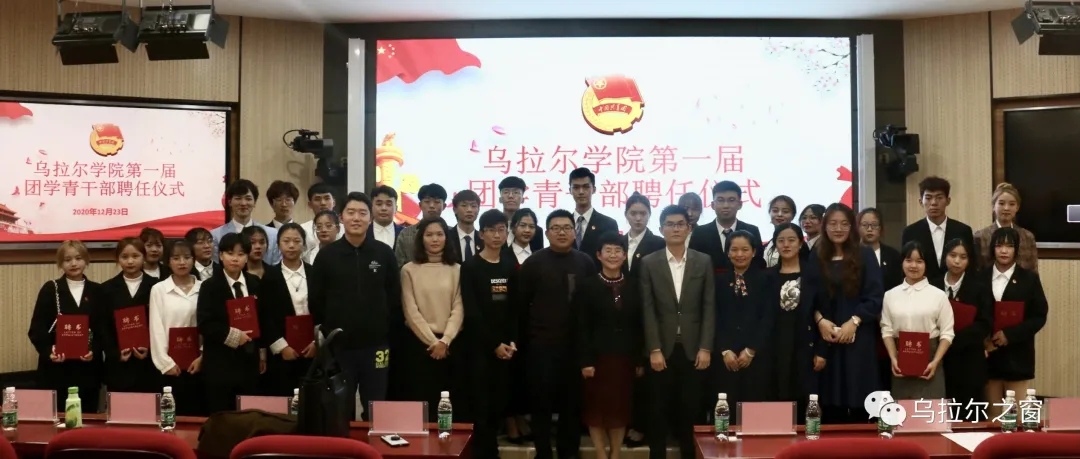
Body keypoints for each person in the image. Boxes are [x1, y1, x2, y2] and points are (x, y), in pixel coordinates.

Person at [310, 192, 401, 419]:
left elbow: (394, 297)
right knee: (341, 409)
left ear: (370, 218)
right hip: (340, 347)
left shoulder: (384, 253)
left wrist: (385, 329)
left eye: (362, 213)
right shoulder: (326, 256)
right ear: (341, 217)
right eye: (351, 212)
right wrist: (330, 331)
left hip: (377, 345)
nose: (356, 218)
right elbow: (317, 301)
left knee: (376, 407)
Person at [518, 209, 597, 459]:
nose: (562, 233)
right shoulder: (534, 263)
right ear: (547, 233)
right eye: (556, 228)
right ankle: (543, 453)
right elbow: (521, 306)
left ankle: (568, 453)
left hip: (575, 348)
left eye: (566, 228)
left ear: (574, 232)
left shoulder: (585, 262)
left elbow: (592, 307)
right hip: (541, 347)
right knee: (540, 405)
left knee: (571, 406)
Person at [640, 205, 714, 459]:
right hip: (661, 349)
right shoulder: (649, 262)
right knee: (657, 411)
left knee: (690, 410)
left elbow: (709, 306)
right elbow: (647, 308)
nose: (675, 229)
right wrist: (654, 348)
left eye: (680, 224)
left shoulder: (703, 261)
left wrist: (705, 347)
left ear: (689, 228)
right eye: (669, 224)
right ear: (661, 229)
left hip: (694, 349)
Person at [806, 203, 883, 423]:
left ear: (852, 227)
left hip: (858, 336)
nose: (838, 228)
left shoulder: (865, 254)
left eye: (844, 224)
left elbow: (875, 296)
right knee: (830, 405)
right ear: (824, 226)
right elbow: (809, 297)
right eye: (833, 223)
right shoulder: (816, 256)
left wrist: (854, 321)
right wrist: (820, 321)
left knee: (861, 402)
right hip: (826, 338)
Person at [577, 231, 643, 459]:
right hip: (597, 359)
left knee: (619, 410)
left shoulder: (634, 285)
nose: (613, 255)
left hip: (625, 358)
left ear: (625, 255)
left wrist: (639, 359)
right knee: (596, 410)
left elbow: (639, 326)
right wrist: (585, 361)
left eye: (618, 251)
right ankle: (600, 454)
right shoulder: (587, 286)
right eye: (608, 251)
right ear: (599, 255)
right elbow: (581, 326)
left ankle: (615, 454)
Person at [462, 209, 520, 459]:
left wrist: (512, 340)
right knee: (481, 405)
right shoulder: (471, 267)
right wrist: (494, 344)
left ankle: (491, 448)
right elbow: (472, 312)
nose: (497, 235)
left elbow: (515, 307)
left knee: (500, 402)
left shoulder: (509, 265)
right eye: (491, 230)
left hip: (506, 348)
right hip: (480, 348)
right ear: (481, 234)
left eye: (501, 230)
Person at [27, 240, 104, 413]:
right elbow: (37, 329)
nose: (74, 263)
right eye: (67, 259)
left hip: (88, 371)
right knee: (57, 421)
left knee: (87, 422)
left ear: (86, 260)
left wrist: (94, 350)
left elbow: (103, 330)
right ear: (60, 263)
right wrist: (49, 351)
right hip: (56, 371)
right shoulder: (50, 289)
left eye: (78, 258)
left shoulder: (97, 291)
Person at [401, 217, 465, 419]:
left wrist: (445, 340)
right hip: (420, 345)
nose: (435, 239)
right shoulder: (409, 270)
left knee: (452, 404)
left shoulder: (457, 269)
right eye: (429, 235)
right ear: (421, 239)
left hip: (451, 344)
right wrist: (433, 342)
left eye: (439, 234)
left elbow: (459, 307)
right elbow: (411, 311)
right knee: (422, 404)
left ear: (447, 238)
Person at [197, 232, 267, 413]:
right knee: (222, 415)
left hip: (249, 361)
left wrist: (262, 352)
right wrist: (234, 336)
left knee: (248, 414)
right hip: (220, 363)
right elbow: (205, 323)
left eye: (241, 254)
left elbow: (263, 319)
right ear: (220, 255)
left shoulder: (255, 283)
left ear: (247, 257)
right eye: (230, 253)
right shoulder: (209, 286)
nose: (235, 259)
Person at [983, 227, 1048, 415]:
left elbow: (1039, 316)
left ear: (1016, 249)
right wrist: (984, 339)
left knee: (1018, 418)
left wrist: (1010, 335)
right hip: (988, 357)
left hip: (1017, 356)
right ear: (992, 249)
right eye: (999, 245)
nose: (1004, 251)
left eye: (1009, 246)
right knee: (992, 418)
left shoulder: (1029, 279)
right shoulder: (980, 277)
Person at [713, 230, 775, 423]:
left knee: (754, 410)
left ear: (754, 251)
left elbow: (768, 317)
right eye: (734, 250)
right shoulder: (718, 281)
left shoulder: (766, 280)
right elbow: (714, 316)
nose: (739, 254)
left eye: (745, 249)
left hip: (756, 356)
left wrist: (751, 350)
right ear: (728, 252)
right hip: (726, 356)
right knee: (725, 408)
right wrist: (725, 349)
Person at [880, 241, 954, 400]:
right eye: (908, 260)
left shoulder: (938, 295)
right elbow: (886, 330)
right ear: (902, 262)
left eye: (919, 261)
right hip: (901, 362)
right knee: (902, 413)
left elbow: (947, 333)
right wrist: (893, 358)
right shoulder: (890, 295)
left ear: (926, 264)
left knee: (930, 412)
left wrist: (935, 362)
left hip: (930, 361)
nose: (913, 265)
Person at [930, 238, 993, 420]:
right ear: (945, 257)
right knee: (940, 417)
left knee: (970, 418)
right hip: (939, 361)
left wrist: (951, 338)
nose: (957, 261)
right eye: (953, 255)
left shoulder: (980, 288)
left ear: (969, 260)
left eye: (963, 257)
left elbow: (985, 323)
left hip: (969, 361)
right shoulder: (932, 286)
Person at [768, 223, 824, 414]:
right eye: (781, 241)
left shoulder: (814, 275)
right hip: (776, 348)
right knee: (778, 401)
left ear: (801, 243)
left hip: (806, 347)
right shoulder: (768, 277)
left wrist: (822, 351)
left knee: (807, 403)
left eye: (791, 240)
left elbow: (824, 312)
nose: (786, 245)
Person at [149, 239, 205, 416]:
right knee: (171, 416)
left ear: (194, 259)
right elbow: (156, 328)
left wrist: (203, 357)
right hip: (170, 366)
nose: (182, 262)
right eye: (176, 258)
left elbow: (209, 325)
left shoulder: (204, 287)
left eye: (187, 257)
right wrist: (165, 363)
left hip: (199, 364)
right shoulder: (159, 289)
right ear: (168, 261)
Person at [260, 223, 316, 395]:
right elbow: (265, 315)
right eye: (286, 241)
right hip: (283, 352)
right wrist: (281, 347)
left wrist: (317, 343)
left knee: (311, 398)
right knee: (284, 398)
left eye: (296, 241)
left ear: (304, 244)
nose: (291, 245)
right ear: (278, 244)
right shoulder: (270, 276)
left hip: (312, 350)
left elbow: (324, 309)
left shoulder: (314, 273)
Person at [100, 237, 160, 393]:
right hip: (118, 366)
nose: (130, 261)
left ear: (144, 257)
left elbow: (161, 324)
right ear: (117, 259)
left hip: (149, 364)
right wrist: (115, 353)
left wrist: (149, 349)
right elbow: (103, 327)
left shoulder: (157, 286)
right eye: (124, 257)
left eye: (135, 256)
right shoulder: (106, 289)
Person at [857, 207, 902, 393]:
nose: (869, 229)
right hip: (860, 321)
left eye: (874, 225)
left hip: (888, 322)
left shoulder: (893, 256)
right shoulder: (851, 255)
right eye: (865, 225)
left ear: (881, 229)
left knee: (885, 371)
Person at [900, 176, 975, 280]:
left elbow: (971, 267)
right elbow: (906, 267)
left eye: (939, 197)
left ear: (948, 201)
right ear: (921, 202)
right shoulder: (910, 232)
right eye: (928, 198)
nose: (934, 203)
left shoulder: (963, 231)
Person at [689, 180, 764, 273]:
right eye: (720, 200)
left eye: (731, 200)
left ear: (740, 204)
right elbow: (693, 265)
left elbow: (758, 264)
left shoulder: (752, 231)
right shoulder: (700, 233)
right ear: (712, 205)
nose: (726, 205)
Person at [210, 179, 281, 264]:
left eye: (248, 199)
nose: (243, 203)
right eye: (238, 198)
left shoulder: (272, 234)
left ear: (254, 202)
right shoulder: (216, 236)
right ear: (229, 202)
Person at [974, 183, 1038, 273]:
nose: (1006, 208)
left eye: (1012, 204)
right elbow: (976, 271)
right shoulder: (980, 237)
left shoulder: (1027, 237)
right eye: (1001, 203)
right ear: (993, 206)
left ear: (1017, 207)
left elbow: (1033, 271)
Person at [568, 168, 620, 271]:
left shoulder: (609, 224)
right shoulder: (565, 223)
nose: (581, 192)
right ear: (570, 190)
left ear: (594, 189)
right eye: (576, 187)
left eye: (586, 187)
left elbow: (613, 258)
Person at [395, 184, 448, 269]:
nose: (431, 206)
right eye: (427, 202)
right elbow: (399, 266)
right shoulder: (405, 234)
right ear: (420, 205)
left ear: (444, 206)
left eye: (437, 202)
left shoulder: (451, 233)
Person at [623, 192, 665, 279]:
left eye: (643, 213)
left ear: (649, 214)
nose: (638, 218)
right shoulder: (619, 242)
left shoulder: (659, 244)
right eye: (633, 213)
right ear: (626, 215)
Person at [500, 176, 544, 251]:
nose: (510, 196)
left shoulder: (536, 231)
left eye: (516, 192)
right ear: (500, 199)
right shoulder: (492, 227)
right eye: (506, 192)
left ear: (523, 199)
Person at [299, 183, 342, 258]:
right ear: (310, 204)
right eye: (317, 199)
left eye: (327, 198)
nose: (323, 203)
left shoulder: (345, 229)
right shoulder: (302, 229)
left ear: (334, 202)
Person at [763, 195, 807, 266]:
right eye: (775, 211)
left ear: (793, 215)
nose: (779, 214)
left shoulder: (800, 245)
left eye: (785, 211)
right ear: (769, 213)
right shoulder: (767, 245)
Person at [450, 190, 482, 262]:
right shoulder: (447, 237)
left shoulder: (483, 239)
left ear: (478, 209)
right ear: (455, 210)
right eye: (464, 205)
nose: (469, 210)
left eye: (473, 206)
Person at [370, 185, 405, 249]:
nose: (384, 208)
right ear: (371, 207)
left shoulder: (405, 233)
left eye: (388, 204)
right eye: (379, 204)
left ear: (396, 208)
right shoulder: (363, 232)